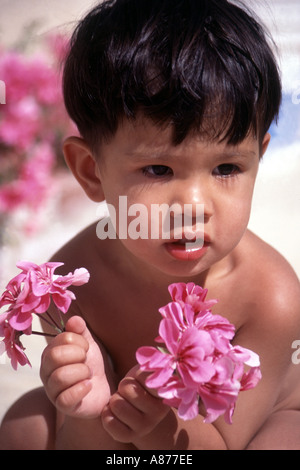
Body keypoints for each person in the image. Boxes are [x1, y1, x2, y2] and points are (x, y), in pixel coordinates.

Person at [1, 0, 300, 450]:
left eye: (227, 168)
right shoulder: (71, 281)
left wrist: (159, 431)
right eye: (158, 170)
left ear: (258, 157)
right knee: (25, 426)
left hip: (243, 429)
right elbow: (78, 440)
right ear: (90, 171)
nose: (194, 206)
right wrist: (84, 410)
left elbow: (224, 443)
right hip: (120, 422)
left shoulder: (270, 298)